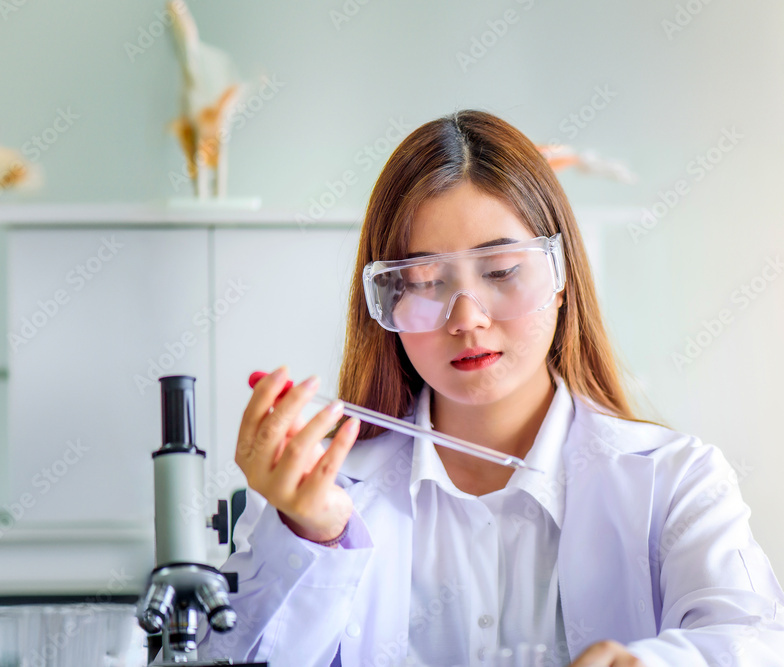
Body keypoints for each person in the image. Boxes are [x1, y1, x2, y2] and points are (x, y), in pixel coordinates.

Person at [195, 110, 784, 666]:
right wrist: (312, 537)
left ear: (560, 278)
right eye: (425, 281)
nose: (467, 317)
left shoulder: (673, 480)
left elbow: (749, 638)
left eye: (502, 271)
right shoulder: (325, 494)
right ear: (386, 302)